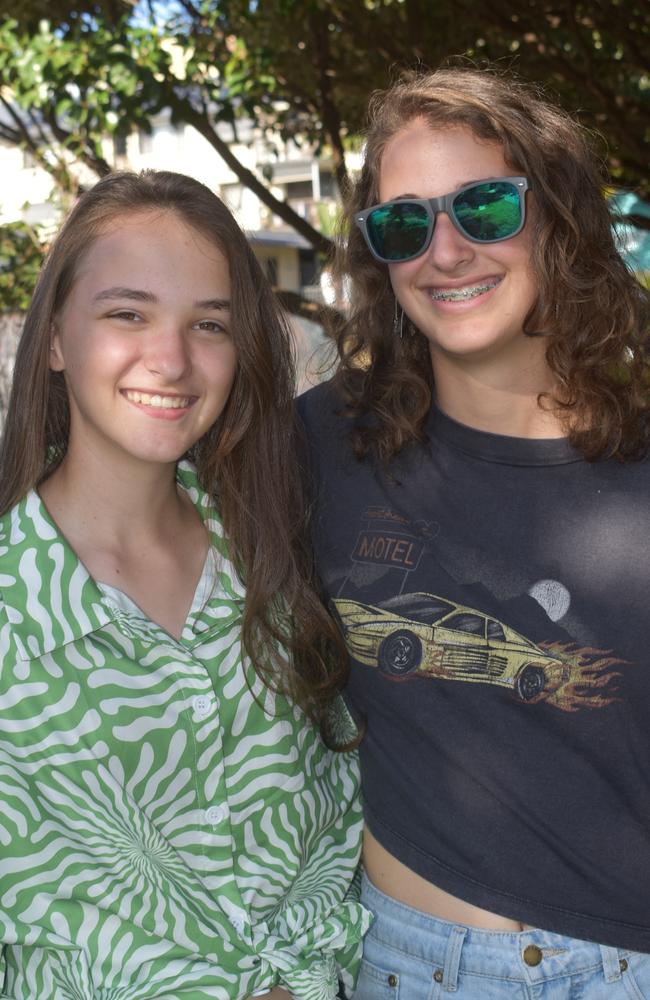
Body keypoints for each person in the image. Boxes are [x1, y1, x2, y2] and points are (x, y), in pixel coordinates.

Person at [297, 67, 650, 998]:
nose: (445, 251)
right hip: (412, 965)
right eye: (405, 224)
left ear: (558, 218)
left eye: (485, 207)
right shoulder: (324, 447)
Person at [0, 170, 369, 1000]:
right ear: (54, 338)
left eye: (209, 324)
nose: (169, 360)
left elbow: (344, 820)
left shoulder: (282, 553)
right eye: (127, 313)